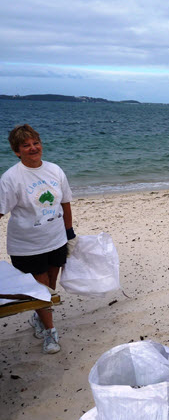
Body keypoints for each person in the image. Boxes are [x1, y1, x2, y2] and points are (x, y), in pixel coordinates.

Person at [0, 124, 77, 354]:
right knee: (41, 289)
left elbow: (65, 202)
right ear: (17, 151)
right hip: (27, 246)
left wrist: (69, 232)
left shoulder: (54, 170)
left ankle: (40, 318)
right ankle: (50, 334)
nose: (33, 148)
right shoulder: (11, 179)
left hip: (55, 240)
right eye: (26, 145)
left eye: (36, 143)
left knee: (49, 289)